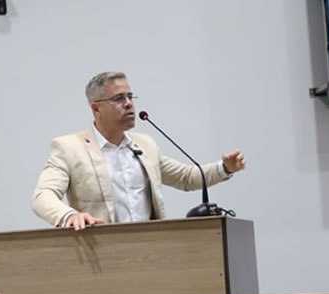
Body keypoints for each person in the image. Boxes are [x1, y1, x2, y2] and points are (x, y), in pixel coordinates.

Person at [31, 71, 246, 230]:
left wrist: (224, 168)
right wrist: (69, 216)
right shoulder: (69, 148)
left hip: (149, 250)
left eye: (130, 97)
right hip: (99, 253)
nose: (128, 104)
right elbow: (43, 196)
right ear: (96, 108)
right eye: (118, 98)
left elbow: (186, 177)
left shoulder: (146, 145)